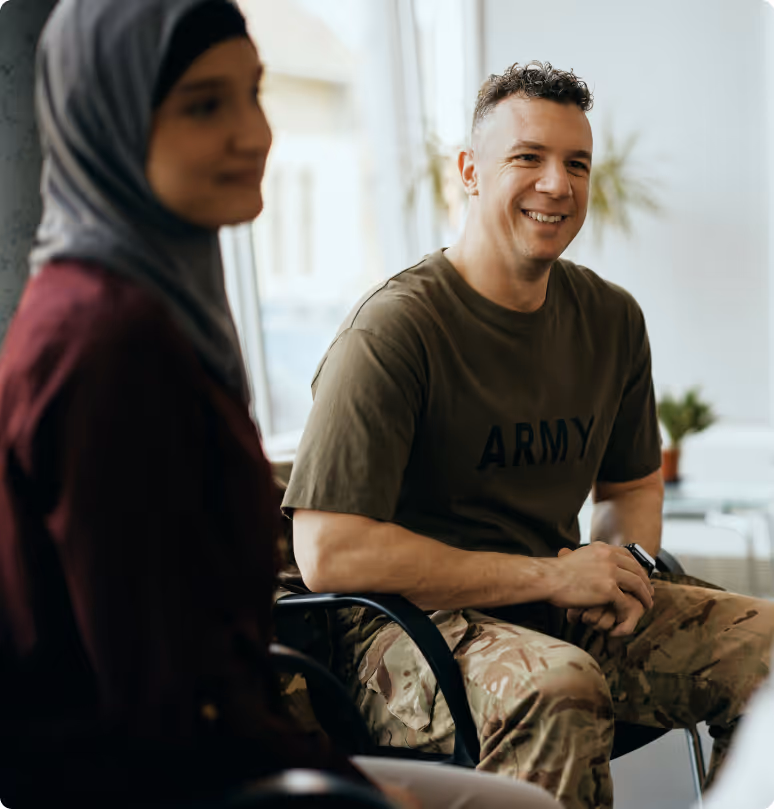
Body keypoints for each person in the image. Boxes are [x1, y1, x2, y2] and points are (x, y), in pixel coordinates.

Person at [0, 2, 561, 807]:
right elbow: (159, 698)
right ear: (113, 121)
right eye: (204, 105)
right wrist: (339, 785)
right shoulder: (111, 346)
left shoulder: (145, 302)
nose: (253, 133)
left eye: (253, 93)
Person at [283, 61, 774, 809]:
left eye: (576, 163)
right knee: (559, 687)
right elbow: (328, 551)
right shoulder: (394, 329)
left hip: (552, 607)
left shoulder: (611, 319)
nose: (557, 184)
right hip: (402, 634)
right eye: (528, 158)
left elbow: (632, 481)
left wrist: (623, 565)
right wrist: (550, 575)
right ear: (470, 173)